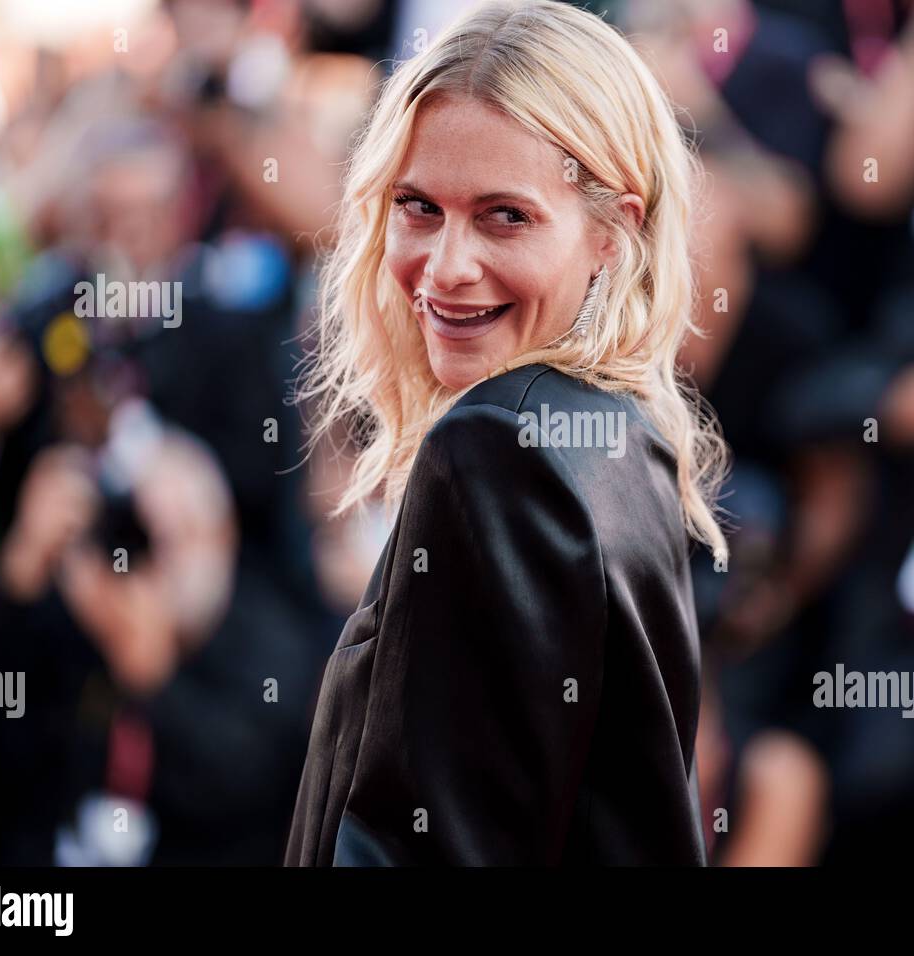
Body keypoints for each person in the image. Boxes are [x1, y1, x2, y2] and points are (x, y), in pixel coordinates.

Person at [284, 0, 729, 866]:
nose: (446, 268)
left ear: (613, 232)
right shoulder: (623, 436)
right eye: (419, 207)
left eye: (504, 216)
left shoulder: (500, 449)